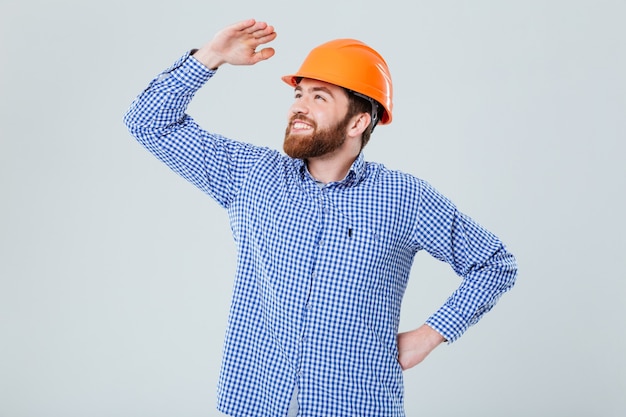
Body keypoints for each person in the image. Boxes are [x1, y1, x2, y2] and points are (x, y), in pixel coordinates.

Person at [124, 18, 517, 417]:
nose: (299, 106)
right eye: (299, 94)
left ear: (358, 122)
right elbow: (147, 122)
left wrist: (431, 335)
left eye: (319, 97)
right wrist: (211, 57)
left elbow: (494, 263)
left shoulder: (404, 198)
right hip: (257, 402)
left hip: (357, 406)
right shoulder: (251, 176)